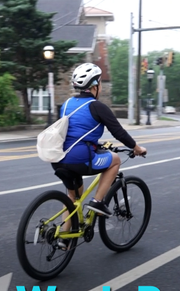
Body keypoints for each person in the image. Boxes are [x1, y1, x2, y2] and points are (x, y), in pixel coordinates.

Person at [52, 63, 147, 221]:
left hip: (58, 159)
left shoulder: (66, 104)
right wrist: (136, 148)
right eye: (100, 82)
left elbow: (73, 132)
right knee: (115, 161)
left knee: (73, 197)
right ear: (95, 85)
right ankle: (97, 202)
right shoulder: (97, 107)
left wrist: (96, 145)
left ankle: (64, 240)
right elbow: (119, 133)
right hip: (81, 159)